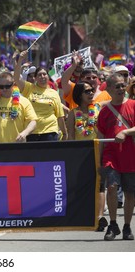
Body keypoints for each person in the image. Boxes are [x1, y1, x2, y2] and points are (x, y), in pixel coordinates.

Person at [97, 73, 135, 241]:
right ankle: (113, 225)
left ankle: (127, 226)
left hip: (130, 155)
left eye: (122, 85)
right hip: (111, 156)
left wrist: (126, 132)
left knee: (130, 193)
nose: (121, 89)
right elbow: (100, 138)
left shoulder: (133, 105)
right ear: (109, 89)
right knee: (111, 187)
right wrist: (98, 161)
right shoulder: (104, 112)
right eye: (117, 86)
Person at [66, 81, 107, 231]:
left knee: (100, 186)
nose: (91, 93)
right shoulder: (73, 113)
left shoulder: (98, 108)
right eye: (87, 91)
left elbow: (119, 100)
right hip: (81, 154)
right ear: (79, 95)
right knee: (85, 185)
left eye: (92, 90)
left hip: (98, 151)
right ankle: (86, 216)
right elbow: (70, 135)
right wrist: (71, 155)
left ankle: (100, 218)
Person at [15, 50, 67, 141]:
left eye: (44, 74)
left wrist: (65, 133)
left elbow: (60, 115)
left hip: (50, 132)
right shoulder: (29, 88)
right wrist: (20, 60)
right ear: (35, 78)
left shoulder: (54, 93)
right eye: (39, 75)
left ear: (48, 76)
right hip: (32, 132)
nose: (42, 77)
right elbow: (16, 78)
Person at [0, 71, 37, 143]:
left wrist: (25, 133)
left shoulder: (24, 101)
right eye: (1, 87)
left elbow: (33, 122)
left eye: (7, 86)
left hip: (16, 146)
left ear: (13, 84)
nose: (4, 89)